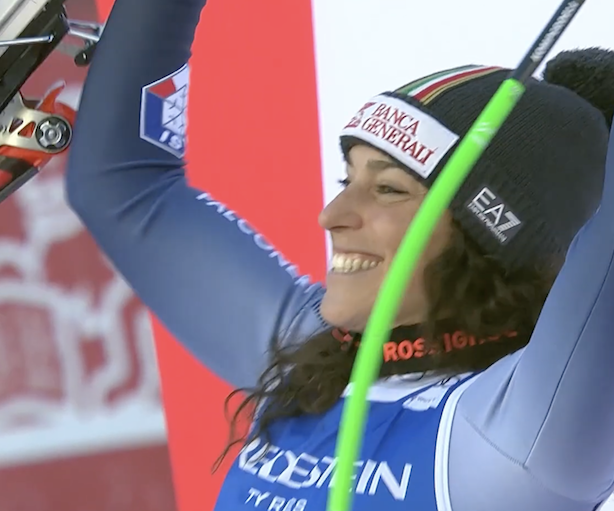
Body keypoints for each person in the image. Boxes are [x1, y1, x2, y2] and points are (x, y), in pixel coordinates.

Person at [64, 0, 614, 508]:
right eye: (347, 180)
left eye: (389, 189)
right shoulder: (313, 360)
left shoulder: (527, 438)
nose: (331, 215)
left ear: (490, 235)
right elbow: (121, 188)